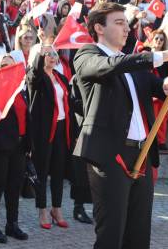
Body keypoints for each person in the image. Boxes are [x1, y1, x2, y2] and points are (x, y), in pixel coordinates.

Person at [73, 2, 168, 249]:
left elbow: (158, 87)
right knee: (111, 235)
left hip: (142, 153)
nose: (126, 28)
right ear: (98, 28)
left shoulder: (133, 64)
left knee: (139, 235)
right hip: (110, 156)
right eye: (119, 22)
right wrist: (166, 55)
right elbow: (112, 66)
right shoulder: (87, 54)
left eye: (126, 22)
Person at [0, 54, 31, 244]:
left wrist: (28, 143)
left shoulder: (21, 89)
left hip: (18, 146)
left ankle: (12, 224)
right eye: (3, 65)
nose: (7, 68)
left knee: (14, 187)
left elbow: (26, 117)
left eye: (11, 66)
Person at [28, 45, 71, 230]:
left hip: (62, 128)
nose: (52, 57)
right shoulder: (36, 77)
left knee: (58, 171)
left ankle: (57, 208)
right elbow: (34, 75)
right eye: (48, 54)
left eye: (54, 54)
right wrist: (40, 52)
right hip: (43, 131)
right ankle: (42, 209)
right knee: (42, 171)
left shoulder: (61, 77)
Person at [69, 75, 93, 224]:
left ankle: (99, 207)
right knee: (80, 173)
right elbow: (73, 103)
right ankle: (78, 208)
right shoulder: (77, 78)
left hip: (101, 129)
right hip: (82, 128)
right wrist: (94, 106)